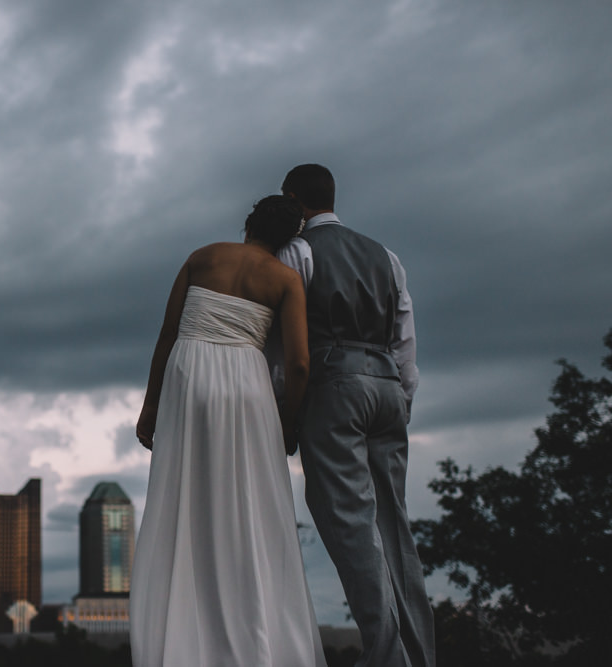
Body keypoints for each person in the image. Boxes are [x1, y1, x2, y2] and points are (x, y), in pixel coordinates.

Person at [131, 195, 327, 667]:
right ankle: (255, 635)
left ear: (249, 223)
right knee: (249, 503)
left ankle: (180, 635)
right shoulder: (286, 279)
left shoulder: (202, 257)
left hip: (189, 376)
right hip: (246, 384)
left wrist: (150, 405)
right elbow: (299, 363)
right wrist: (288, 422)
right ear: (290, 239)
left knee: (185, 500)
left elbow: (167, 333)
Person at [275, 164, 435, 667]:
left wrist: (284, 412)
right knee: (394, 523)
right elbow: (404, 338)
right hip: (388, 387)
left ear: (293, 201)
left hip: (334, 385)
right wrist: (401, 398)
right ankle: (418, 654)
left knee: (349, 522)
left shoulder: (297, 252)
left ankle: (388, 659)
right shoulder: (386, 256)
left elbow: (286, 345)